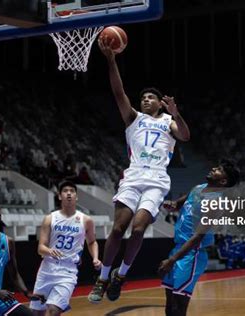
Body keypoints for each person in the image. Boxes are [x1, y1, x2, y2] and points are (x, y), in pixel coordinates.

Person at [88, 33, 191, 303]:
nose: (145, 100)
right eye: (143, 97)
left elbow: (185, 136)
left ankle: (121, 275)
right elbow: (118, 92)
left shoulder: (169, 121)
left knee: (137, 229)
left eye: (150, 98)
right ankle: (103, 278)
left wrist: (176, 113)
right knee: (117, 229)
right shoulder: (133, 118)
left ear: (160, 103)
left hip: (156, 180)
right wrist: (111, 60)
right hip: (133, 177)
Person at [158, 160, 240, 316]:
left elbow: (198, 236)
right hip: (178, 248)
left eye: (219, 170)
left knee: (178, 307)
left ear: (223, 181)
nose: (213, 168)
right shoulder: (198, 188)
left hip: (192, 254)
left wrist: (172, 260)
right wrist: (172, 204)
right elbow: (179, 204)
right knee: (169, 306)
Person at [30, 179, 101, 315]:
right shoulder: (50, 218)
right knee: (36, 313)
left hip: (68, 271)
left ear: (76, 196)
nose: (69, 194)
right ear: (59, 196)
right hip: (47, 269)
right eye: (65, 191)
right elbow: (41, 248)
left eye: (72, 191)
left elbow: (92, 242)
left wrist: (95, 258)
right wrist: (49, 250)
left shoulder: (86, 220)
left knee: (53, 311)